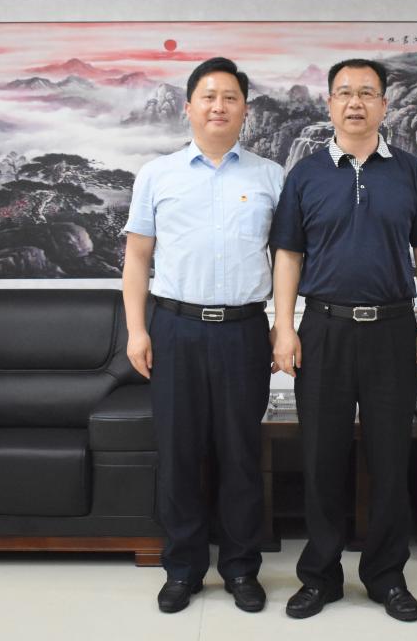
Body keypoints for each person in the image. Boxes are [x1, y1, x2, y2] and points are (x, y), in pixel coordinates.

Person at [270, 58, 417, 622]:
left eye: (367, 93)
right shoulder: (305, 175)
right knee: (321, 457)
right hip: (323, 329)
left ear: (383, 105)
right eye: (344, 93)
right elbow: (288, 255)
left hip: (393, 330)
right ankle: (320, 577)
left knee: (390, 458)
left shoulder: (410, 172)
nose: (355, 103)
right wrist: (284, 326)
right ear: (329, 104)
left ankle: (386, 576)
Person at [122, 57, 283, 614]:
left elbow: (289, 260)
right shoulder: (157, 174)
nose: (219, 106)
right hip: (174, 328)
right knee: (179, 454)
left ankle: (240, 568)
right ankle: (182, 568)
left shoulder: (271, 176)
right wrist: (137, 331)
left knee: (241, 455)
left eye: (230, 97)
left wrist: (285, 326)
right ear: (188, 106)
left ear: (245, 109)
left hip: (244, 331)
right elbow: (137, 259)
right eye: (208, 96)